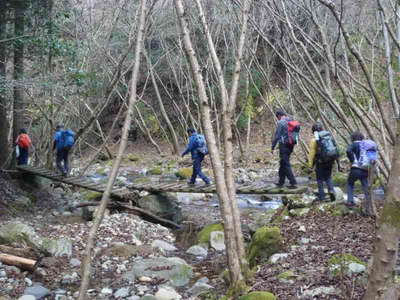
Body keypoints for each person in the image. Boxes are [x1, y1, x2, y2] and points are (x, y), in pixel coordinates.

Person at [308, 123, 340, 202]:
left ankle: (322, 197)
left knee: (319, 179)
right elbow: (335, 148)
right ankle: (331, 190)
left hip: (320, 161)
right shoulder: (328, 136)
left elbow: (312, 154)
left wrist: (310, 165)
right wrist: (338, 162)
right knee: (328, 177)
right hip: (330, 160)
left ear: (313, 131)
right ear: (322, 129)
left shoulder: (314, 139)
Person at [271, 110, 298, 189]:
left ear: (279, 116)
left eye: (277, 117)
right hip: (291, 145)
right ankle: (281, 182)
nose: (277, 119)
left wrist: (272, 146)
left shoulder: (281, 122)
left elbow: (277, 136)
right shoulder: (291, 120)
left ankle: (293, 182)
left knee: (285, 163)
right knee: (283, 162)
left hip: (284, 146)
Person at [345, 131, 371, 207]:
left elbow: (348, 151)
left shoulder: (353, 144)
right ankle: (369, 202)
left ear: (352, 138)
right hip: (365, 169)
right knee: (365, 184)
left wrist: (352, 160)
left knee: (350, 183)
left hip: (356, 169)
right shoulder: (366, 144)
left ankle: (350, 201)